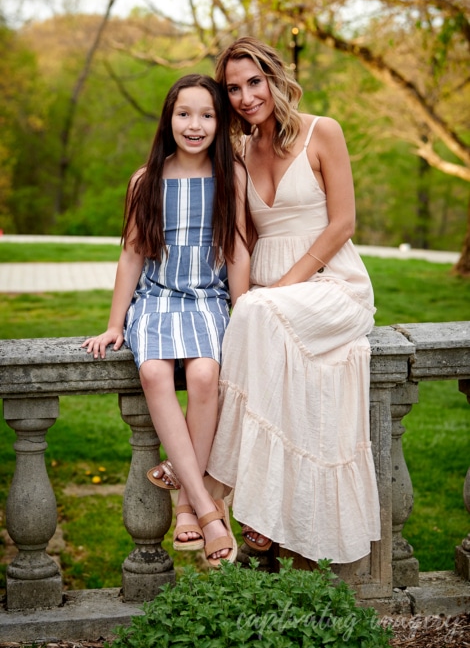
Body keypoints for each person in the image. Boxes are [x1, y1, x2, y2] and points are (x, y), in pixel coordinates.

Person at [205, 37, 381, 564]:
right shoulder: (238, 153)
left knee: (258, 311)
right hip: (267, 300)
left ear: (275, 78)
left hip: (332, 285)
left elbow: (344, 222)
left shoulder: (322, 131)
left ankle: (213, 483)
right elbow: (241, 238)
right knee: (255, 321)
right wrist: (243, 301)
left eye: (253, 81)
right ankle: (260, 512)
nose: (244, 96)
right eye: (233, 88)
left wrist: (282, 287)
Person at [82, 74, 250, 567]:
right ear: (168, 118)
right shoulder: (146, 180)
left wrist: (243, 309)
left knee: (203, 373)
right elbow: (133, 255)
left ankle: (183, 503)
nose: (194, 125)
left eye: (207, 115)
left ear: (220, 124)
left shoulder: (231, 176)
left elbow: (237, 248)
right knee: (154, 370)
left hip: (206, 297)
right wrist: (115, 324)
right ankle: (206, 510)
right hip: (157, 299)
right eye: (184, 114)